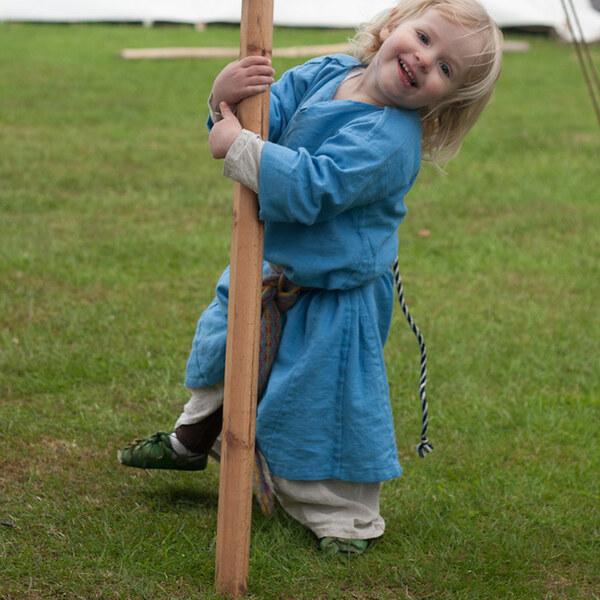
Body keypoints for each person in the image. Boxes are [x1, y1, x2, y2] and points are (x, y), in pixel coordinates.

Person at [118, 0, 503, 555]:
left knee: (318, 406)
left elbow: (313, 189)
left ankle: (346, 520)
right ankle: (193, 438)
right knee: (224, 351)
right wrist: (223, 97)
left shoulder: (391, 139)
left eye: (446, 68)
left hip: (333, 295)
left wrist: (242, 150)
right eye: (423, 38)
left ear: (447, 100)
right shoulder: (328, 72)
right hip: (271, 267)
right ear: (392, 25)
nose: (424, 60)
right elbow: (260, 120)